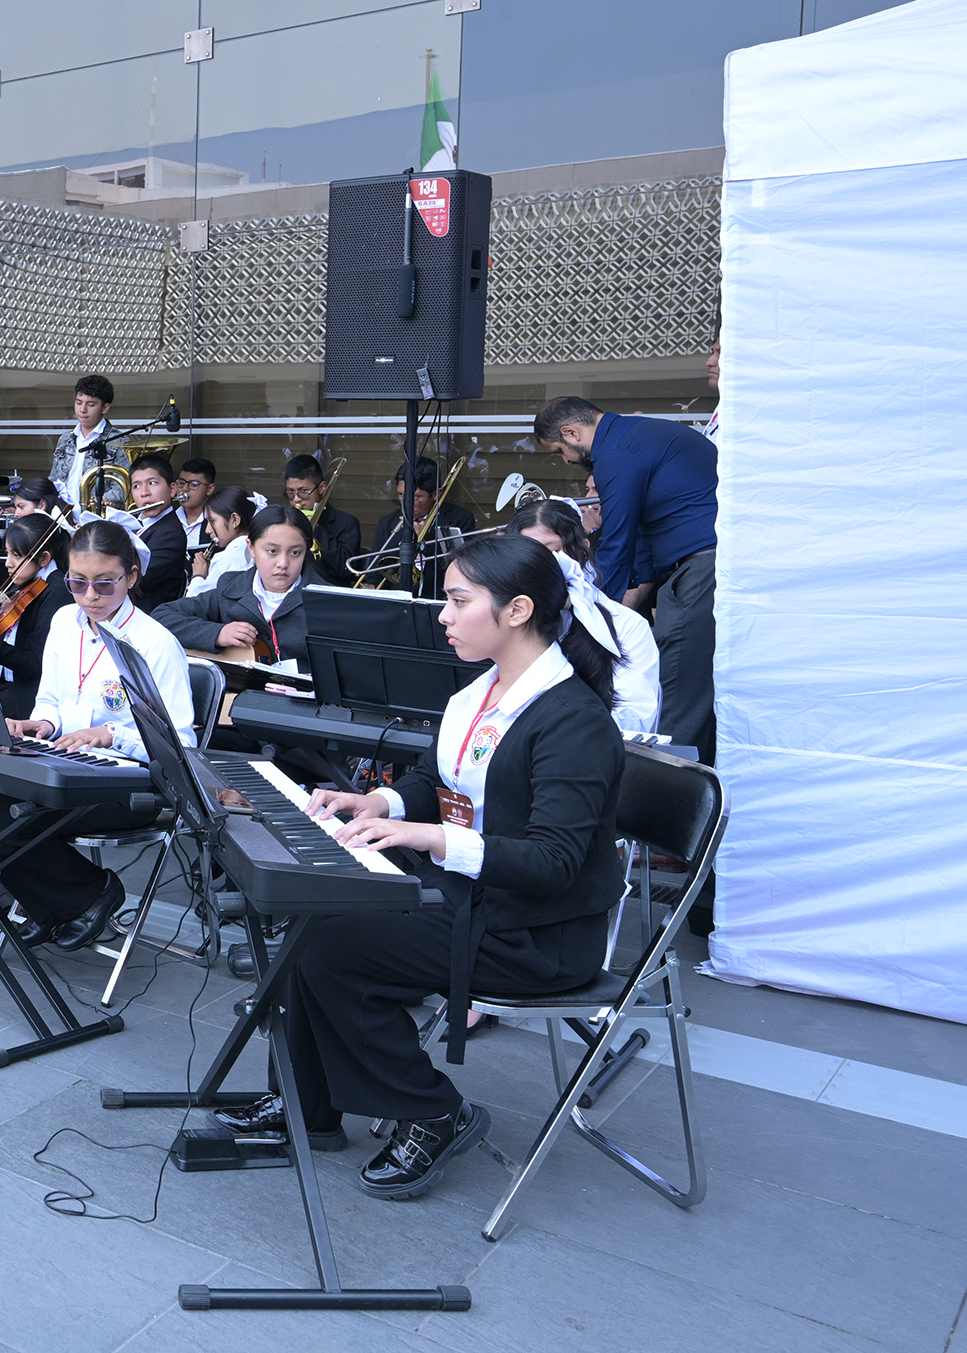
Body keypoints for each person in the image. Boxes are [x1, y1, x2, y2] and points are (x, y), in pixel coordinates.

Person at [219, 535, 626, 1202]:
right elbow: (439, 778)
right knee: (316, 920)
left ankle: (432, 1109)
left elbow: (554, 862)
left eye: (459, 601)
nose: (443, 615)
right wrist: (381, 802)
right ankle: (304, 1104)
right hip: (471, 896)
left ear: (517, 610)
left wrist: (431, 837)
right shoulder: (482, 688)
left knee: (330, 946)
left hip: (534, 933)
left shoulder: (571, 720)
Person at [0, 519, 198, 951]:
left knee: (1, 818)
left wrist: (111, 734)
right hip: (66, 764)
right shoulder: (64, 620)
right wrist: (41, 724)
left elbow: (181, 745)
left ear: (131, 577)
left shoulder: (156, 643)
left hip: (130, 781)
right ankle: (49, 906)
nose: (90, 596)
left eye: (104, 584)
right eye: (77, 583)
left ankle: (90, 893)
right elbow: (52, 699)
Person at [535, 395, 717, 761]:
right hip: (699, 564)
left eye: (559, 451)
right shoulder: (639, 434)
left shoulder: (614, 453)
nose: (566, 460)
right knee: (691, 687)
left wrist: (592, 607)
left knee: (677, 690)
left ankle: (673, 783)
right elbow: (642, 537)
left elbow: (619, 539)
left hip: (701, 566)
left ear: (571, 432)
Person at [508, 498, 661, 735]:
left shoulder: (626, 626)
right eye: (529, 553)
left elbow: (636, 719)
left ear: (583, 549)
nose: (539, 565)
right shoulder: (506, 620)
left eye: (552, 552)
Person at [159, 505, 320, 668]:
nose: (283, 563)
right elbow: (163, 615)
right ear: (251, 548)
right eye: (272, 551)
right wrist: (217, 633)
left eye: (295, 553)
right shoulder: (231, 588)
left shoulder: (326, 601)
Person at [0, 514, 68, 720]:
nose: (7, 563)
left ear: (44, 558)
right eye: (7, 553)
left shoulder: (57, 593)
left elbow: (35, 663)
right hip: (0, 684)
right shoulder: (22, 585)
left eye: (16, 555)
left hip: (25, 696)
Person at [367, 460, 468, 596]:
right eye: (401, 495)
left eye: (416, 497)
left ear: (436, 494)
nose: (406, 503)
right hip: (396, 598)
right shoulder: (388, 522)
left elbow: (460, 570)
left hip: (438, 597)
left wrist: (425, 540)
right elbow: (376, 570)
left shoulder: (459, 519)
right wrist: (372, 586)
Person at [50, 374, 123, 515]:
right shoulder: (65, 439)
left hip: (95, 518)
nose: (82, 409)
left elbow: (121, 488)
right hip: (61, 517)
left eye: (91, 405)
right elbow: (54, 480)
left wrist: (100, 502)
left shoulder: (118, 441)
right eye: (79, 403)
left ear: (105, 408)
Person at [282, 455, 360, 586]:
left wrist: (316, 529)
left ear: (322, 488)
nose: (296, 499)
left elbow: (345, 570)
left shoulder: (346, 523)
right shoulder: (283, 521)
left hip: (325, 593)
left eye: (304, 491)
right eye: (290, 492)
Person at [124, 453, 186, 608]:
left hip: (146, 614)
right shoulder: (132, 522)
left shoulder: (171, 534)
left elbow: (136, 581)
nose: (144, 492)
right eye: (137, 486)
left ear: (172, 490)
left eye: (152, 483)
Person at [188, 484, 260, 590]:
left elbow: (194, 599)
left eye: (212, 521)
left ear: (235, 519)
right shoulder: (261, 550)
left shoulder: (224, 560)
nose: (207, 530)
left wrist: (199, 575)